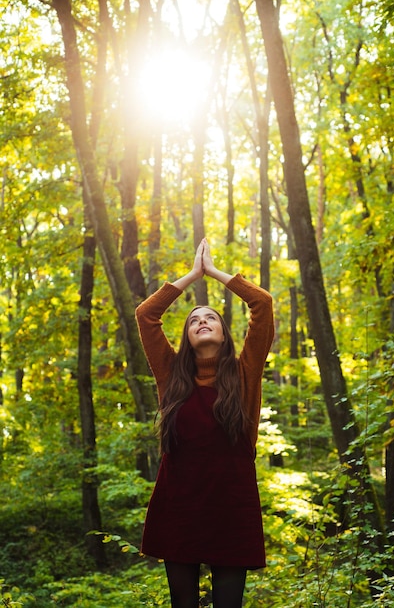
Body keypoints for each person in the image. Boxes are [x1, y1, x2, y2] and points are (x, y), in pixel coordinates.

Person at [135, 239, 274, 608]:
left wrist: (215, 273)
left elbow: (262, 304)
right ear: (186, 336)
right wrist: (192, 275)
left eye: (210, 317)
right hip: (178, 507)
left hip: (232, 508)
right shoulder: (171, 374)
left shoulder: (244, 373)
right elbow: (146, 316)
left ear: (225, 332)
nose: (201, 321)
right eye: (194, 320)